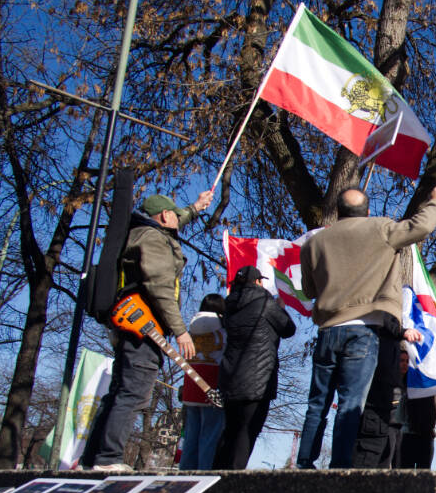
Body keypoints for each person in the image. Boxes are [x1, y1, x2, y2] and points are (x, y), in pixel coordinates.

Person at [296, 184, 436, 469]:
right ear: (367, 211)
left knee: (317, 402)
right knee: (351, 402)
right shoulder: (381, 229)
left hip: (328, 329)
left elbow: (308, 289)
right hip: (364, 330)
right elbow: (421, 227)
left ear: (339, 211)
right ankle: (340, 467)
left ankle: (305, 460)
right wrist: (435, 201)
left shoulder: (314, 243)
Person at [82, 189, 214, 471]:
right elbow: (161, 287)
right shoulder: (155, 240)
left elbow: (177, 218)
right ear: (165, 216)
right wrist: (180, 331)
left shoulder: (143, 233)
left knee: (120, 389)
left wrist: (196, 206)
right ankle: (107, 459)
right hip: (146, 326)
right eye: (174, 214)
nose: (179, 218)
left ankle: (92, 458)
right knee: (133, 392)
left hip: (133, 324)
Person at [212, 266, 296, 469]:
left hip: (231, 376)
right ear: (258, 282)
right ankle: (234, 480)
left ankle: (215, 475)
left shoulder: (229, 306)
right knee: (247, 431)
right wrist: (281, 308)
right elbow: (289, 329)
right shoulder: (265, 304)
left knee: (230, 430)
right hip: (258, 377)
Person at [179, 294, 226, 470]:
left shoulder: (189, 330)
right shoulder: (222, 331)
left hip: (192, 382)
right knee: (210, 435)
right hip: (213, 384)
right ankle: (204, 473)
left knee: (191, 434)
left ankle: (186, 471)